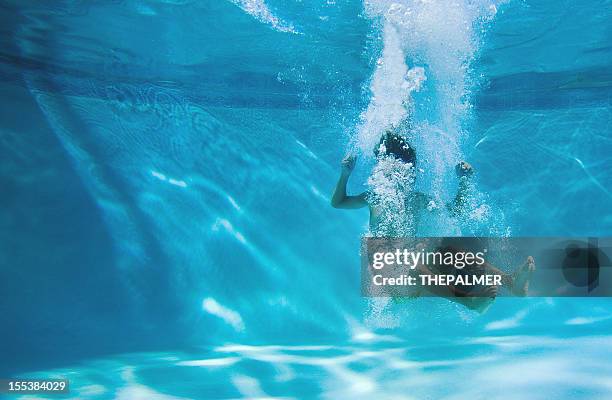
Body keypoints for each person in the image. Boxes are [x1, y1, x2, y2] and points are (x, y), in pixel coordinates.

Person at [331, 130, 535, 312]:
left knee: (444, 249)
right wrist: (345, 175)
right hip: (393, 281)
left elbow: (454, 212)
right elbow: (338, 202)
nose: (407, 178)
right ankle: (469, 302)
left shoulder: (418, 200)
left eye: (410, 172)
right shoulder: (375, 197)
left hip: (414, 269)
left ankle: (511, 281)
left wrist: (464, 182)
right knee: (412, 266)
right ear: (384, 171)